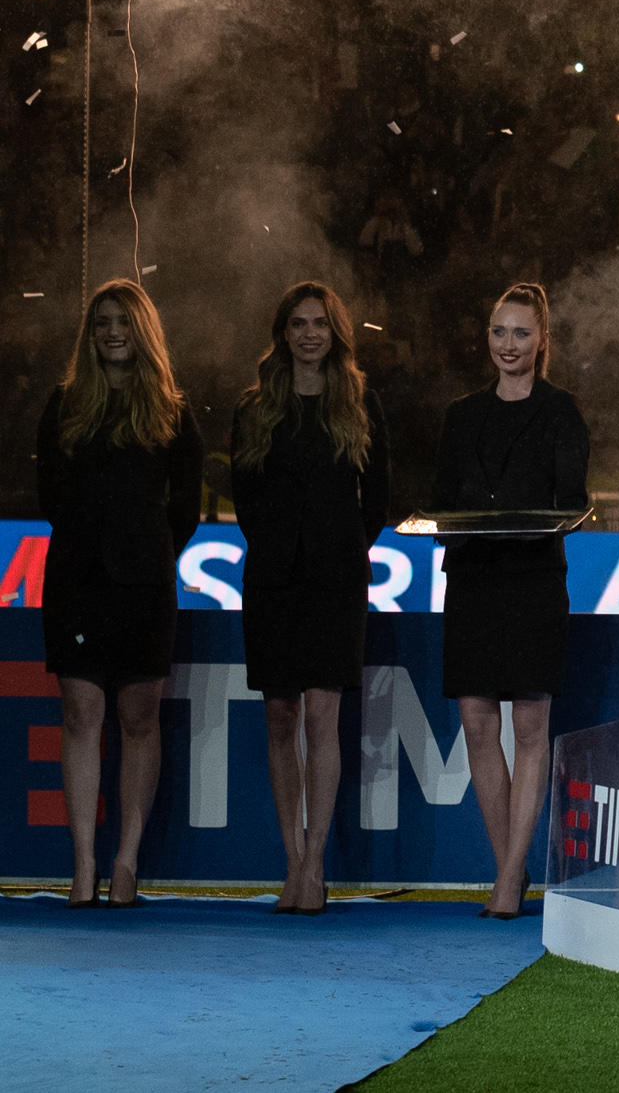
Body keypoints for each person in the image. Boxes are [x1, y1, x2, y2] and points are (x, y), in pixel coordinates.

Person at [228, 281, 390, 915]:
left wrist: (342, 550)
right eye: (298, 323)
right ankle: (291, 859)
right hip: (273, 582)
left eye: (319, 323)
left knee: (323, 718)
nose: (309, 334)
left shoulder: (361, 403)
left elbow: (378, 498)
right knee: (279, 718)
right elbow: (244, 498)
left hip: (336, 583)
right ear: (283, 333)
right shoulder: (254, 407)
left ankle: (315, 863)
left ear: (335, 331)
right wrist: (280, 550)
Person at [40, 280, 203, 908]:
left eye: (124, 322)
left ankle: (127, 863)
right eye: (103, 322)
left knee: (139, 720)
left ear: (143, 331)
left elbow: (185, 508)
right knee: (81, 716)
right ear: (90, 333)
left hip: (145, 589)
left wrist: (147, 552)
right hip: (77, 583)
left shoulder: (172, 411)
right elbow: (51, 497)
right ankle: (83, 865)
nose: (112, 332)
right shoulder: (62, 405)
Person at [436, 285, 594, 917]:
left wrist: (520, 522)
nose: (508, 344)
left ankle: (507, 880)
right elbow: (442, 500)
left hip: (532, 582)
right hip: (473, 579)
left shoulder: (561, 411)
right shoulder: (461, 415)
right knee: (478, 725)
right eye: (499, 332)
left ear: (541, 340)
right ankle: (509, 866)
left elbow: (572, 500)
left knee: (529, 728)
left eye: (521, 333)